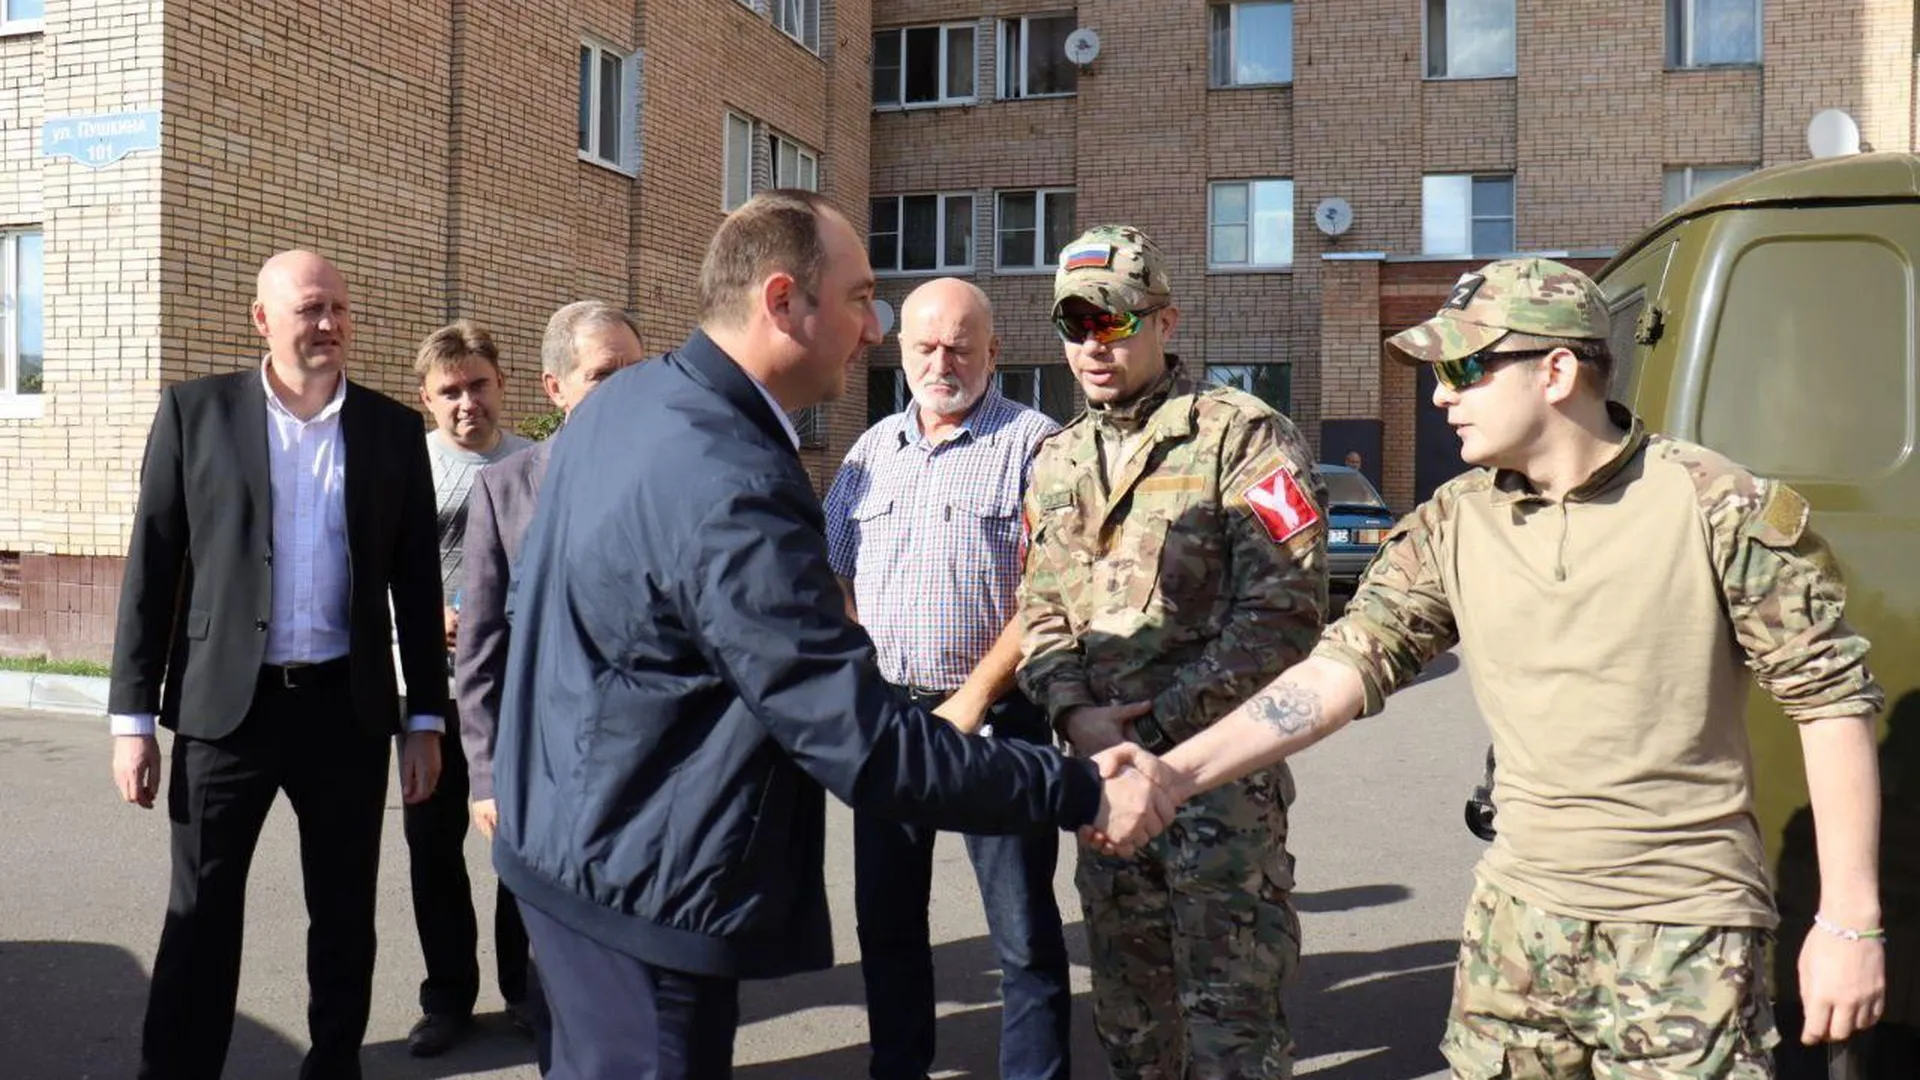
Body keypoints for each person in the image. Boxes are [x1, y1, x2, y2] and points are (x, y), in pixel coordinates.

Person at [1112, 257, 1889, 1076]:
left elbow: (1831, 701)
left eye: (1464, 367)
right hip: (1516, 931)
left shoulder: (1713, 503)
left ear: (1557, 371)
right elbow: (1339, 670)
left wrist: (1849, 923)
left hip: (1684, 936)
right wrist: (1173, 776)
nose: (1441, 393)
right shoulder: (1455, 521)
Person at [488, 190, 1177, 1080]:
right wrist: (1081, 790)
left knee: (1021, 941)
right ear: (783, 302)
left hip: (572, 861)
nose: (875, 331)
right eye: (861, 300)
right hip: (643, 895)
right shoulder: (730, 473)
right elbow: (851, 732)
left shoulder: (633, 404)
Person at [107, 249, 447, 1080]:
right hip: (229, 709)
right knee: (201, 910)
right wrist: (132, 720)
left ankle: (334, 1064)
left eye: (338, 306)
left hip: (346, 709)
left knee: (343, 912)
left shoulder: (391, 430)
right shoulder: (198, 414)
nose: (327, 321)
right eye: (308, 308)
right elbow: (152, 567)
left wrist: (425, 721)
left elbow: (416, 582)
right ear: (264, 319)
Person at [1018, 224, 1329, 1079]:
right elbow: (1040, 609)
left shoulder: (1240, 437)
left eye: (1112, 323)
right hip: (1107, 794)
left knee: (1232, 1032)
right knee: (1132, 1027)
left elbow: (1285, 617)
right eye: (1073, 327)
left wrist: (1155, 733)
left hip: (1216, 796)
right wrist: (1078, 719)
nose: (1092, 347)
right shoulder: (1056, 460)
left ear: (1166, 320)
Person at [822, 277, 1072, 1080]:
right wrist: (861, 668)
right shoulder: (869, 452)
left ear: (993, 352)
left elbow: (1052, 595)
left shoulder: (1037, 446)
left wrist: (973, 698)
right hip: (891, 722)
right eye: (926, 346)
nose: (943, 361)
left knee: (1024, 932)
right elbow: (834, 571)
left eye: (961, 346)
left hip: (998, 721)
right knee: (887, 924)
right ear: (900, 351)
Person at [452, 299, 645, 1063]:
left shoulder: (676, 473)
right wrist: (488, 773)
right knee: (558, 965)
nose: (625, 388)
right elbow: (482, 649)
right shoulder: (506, 489)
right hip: (545, 770)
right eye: (603, 375)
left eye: (636, 371)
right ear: (554, 387)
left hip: (651, 772)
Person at [399, 320, 534, 1056]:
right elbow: (375, 574)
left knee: (522, 846)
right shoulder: (406, 469)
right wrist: (424, 623)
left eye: (478, 385)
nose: (466, 403)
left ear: (501, 384)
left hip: (515, 691)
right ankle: (447, 997)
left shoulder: (534, 465)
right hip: (425, 693)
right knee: (434, 849)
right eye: (449, 391)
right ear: (427, 399)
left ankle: (527, 992)